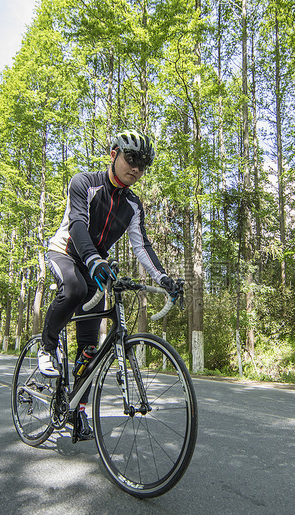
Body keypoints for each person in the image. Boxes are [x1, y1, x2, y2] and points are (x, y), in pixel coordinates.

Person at [39, 129, 179, 442]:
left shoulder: (133, 205)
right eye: (131, 160)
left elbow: (142, 246)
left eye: (143, 166)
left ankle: (78, 410)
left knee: (89, 348)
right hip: (66, 252)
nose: (136, 169)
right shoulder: (84, 183)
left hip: (95, 264)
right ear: (113, 154)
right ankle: (47, 345)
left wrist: (163, 278)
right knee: (73, 290)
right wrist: (92, 259)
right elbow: (77, 225)